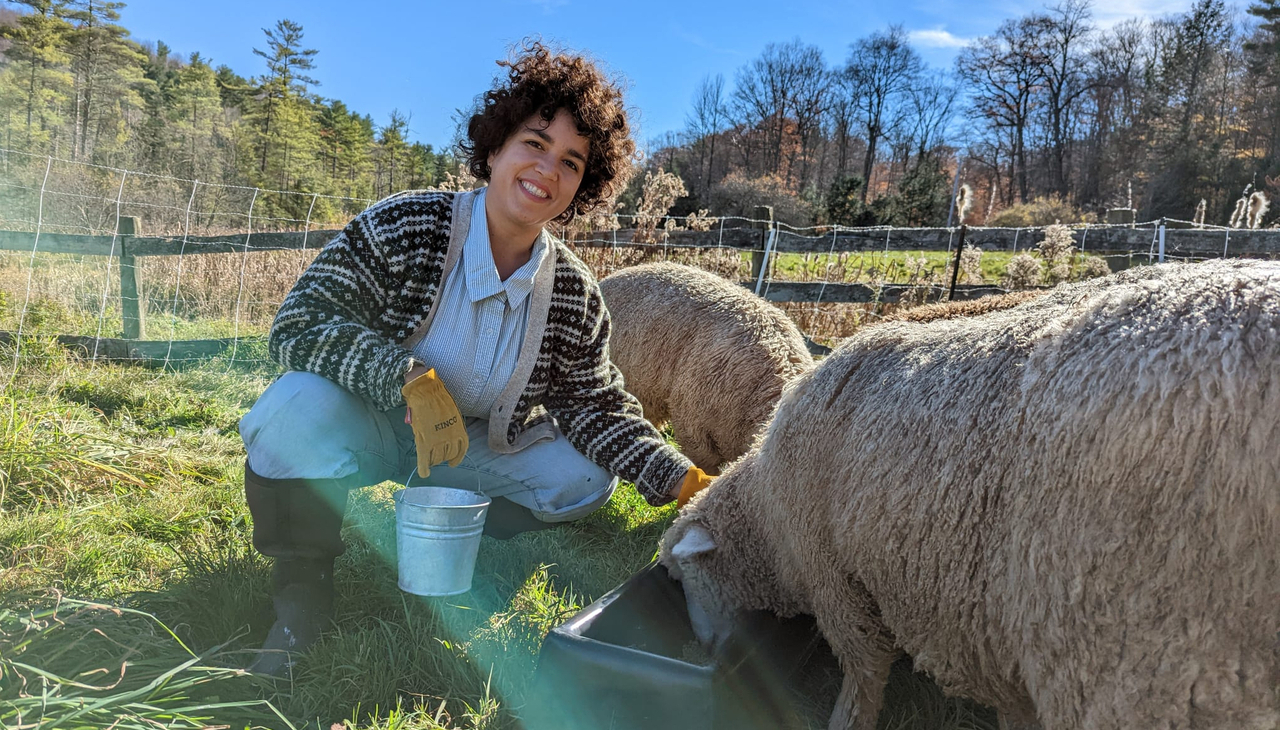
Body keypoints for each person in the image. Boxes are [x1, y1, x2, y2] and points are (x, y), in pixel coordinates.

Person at [238, 40, 713, 675]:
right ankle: (301, 600)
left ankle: (458, 537)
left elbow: (596, 407)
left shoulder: (571, 294)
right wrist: (403, 377)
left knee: (582, 479)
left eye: (572, 162)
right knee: (289, 413)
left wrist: (681, 478)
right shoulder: (410, 226)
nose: (548, 169)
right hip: (376, 423)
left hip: (469, 451)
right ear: (494, 149)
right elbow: (300, 324)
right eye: (535, 143)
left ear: (583, 186)